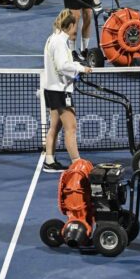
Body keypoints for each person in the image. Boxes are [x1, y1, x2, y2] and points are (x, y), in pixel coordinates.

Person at [42, 9, 92, 172]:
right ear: (70, 25)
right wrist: (80, 68)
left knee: (55, 127)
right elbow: (63, 66)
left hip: (51, 89)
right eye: (74, 27)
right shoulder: (59, 42)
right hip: (60, 91)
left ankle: (49, 161)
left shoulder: (52, 39)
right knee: (71, 128)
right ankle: (77, 164)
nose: (75, 30)